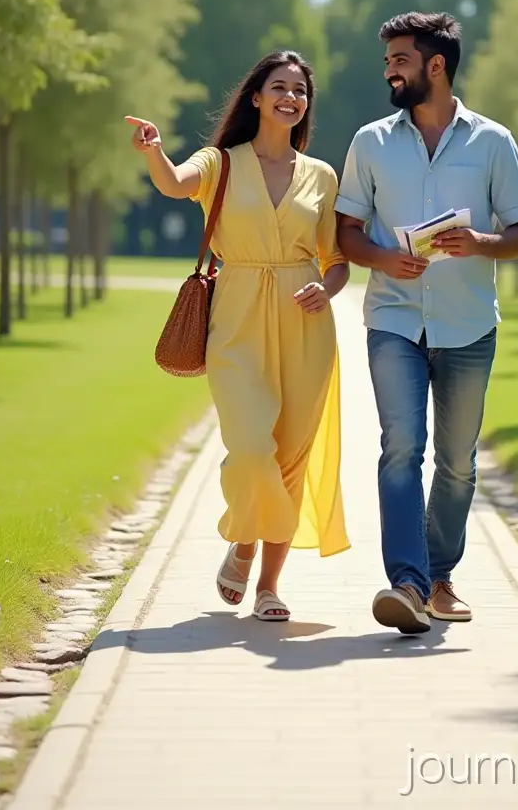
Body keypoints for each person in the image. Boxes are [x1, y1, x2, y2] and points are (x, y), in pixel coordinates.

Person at [125, 50, 350, 621]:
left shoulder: (321, 176)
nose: (291, 98)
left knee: (290, 458)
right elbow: (176, 185)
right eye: (280, 87)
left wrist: (328, 288)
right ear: (256, 96)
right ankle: (243, 538)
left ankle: (268, 586)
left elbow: (338, 259)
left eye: (300, 92)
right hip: (238, 319)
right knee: (252, 449)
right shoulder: (220, 162)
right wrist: (155, 152)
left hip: (306, 325)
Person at [335, 11, 518, 634]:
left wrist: (480, 241)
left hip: (468, 326)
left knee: (456, 462)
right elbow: (345, 234)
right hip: (394, 318)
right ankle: (407, 584)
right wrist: (382, 257)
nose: (390, 70)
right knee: (401, 449)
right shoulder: (369, 142)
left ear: (436, 65)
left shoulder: (494, 142)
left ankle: (440, 577)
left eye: (400, 59)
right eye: (389, 60)